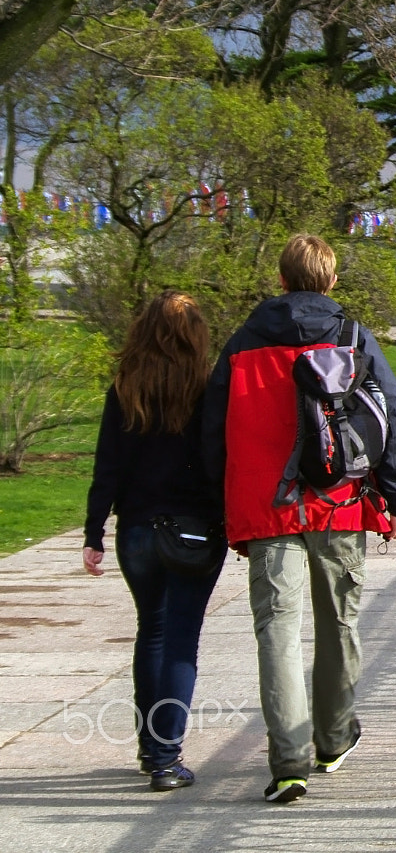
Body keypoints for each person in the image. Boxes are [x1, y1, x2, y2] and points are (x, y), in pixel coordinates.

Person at [202, 234, 396, 805]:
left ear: (281, 279)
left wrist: (224, 507)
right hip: (338, 500)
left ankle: (288, 762)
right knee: (338, 624)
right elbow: (393, 417)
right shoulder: (350, 335)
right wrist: (395, 498)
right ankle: (334, 737)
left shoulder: (243, 341)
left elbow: (213, 431)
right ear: (332, 280)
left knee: (277, 630)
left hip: (267, 504)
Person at [83, 291, 221, 792]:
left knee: (153, 632)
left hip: (138, 529)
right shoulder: (206, 386)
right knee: (182, 637)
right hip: (194, 528)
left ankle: (151, 748)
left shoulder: (126, 387)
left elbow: (108, 466)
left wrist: (94, 531)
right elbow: (215, 462)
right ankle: (166, 755)